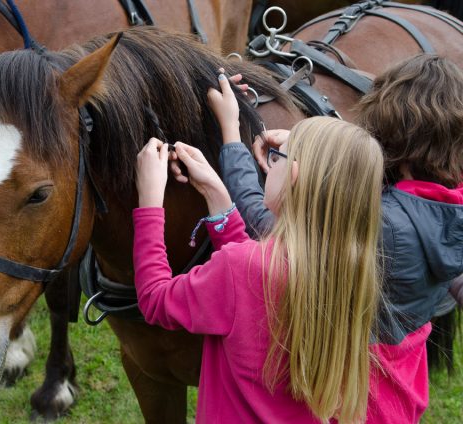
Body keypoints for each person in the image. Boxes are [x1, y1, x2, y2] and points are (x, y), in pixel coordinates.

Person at [221, 54, 463, 422]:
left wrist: (232, 143)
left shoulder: (388, 226)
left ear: (393, 124)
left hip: (353, 395)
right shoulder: (444, 207)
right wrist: (303, 147)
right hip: (402, 383)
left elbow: (277, 234)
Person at [134, 73, 385, 421]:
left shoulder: (243, 268)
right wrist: (216, 195)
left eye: (278, 157)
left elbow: (155, 300)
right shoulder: (350, 269)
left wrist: (149, 201)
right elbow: (256, 291)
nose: (269, 163)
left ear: (292, 175)